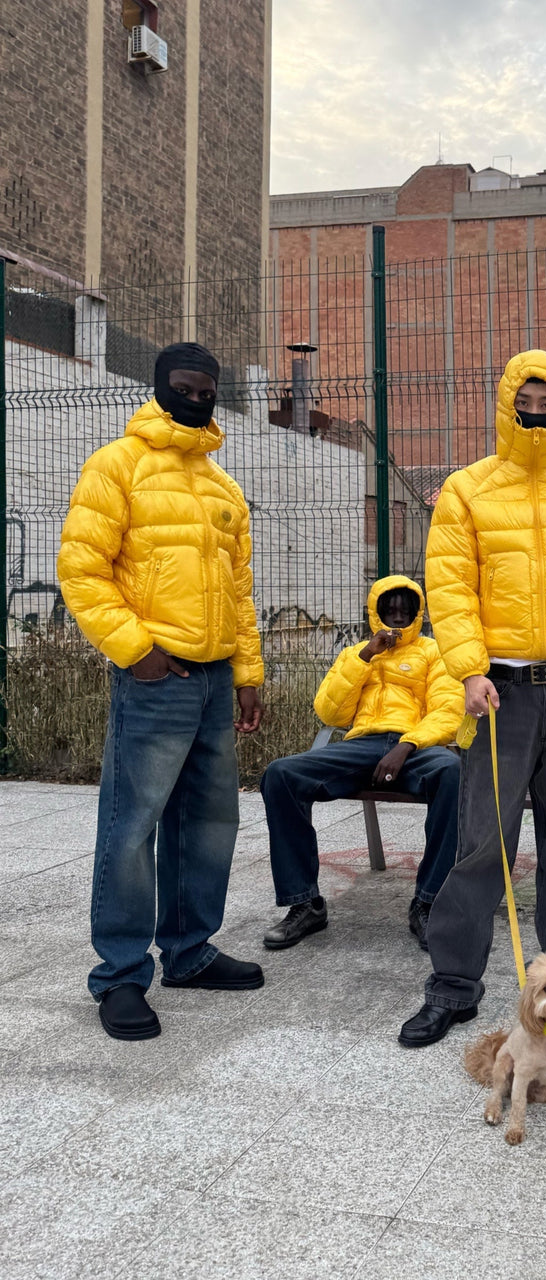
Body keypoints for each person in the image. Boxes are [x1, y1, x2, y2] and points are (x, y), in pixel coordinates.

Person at [398, 349, 546, 1048]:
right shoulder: (469, 490)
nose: (536, 412)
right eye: (524, 401)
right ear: (506, 404)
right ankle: (452, 987)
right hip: (500, 694)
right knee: (481, 847)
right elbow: (450, 588)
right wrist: (469, 668)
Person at [57, 342, 266, 1041]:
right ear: (158, 387)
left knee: (209, 826)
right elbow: (82, 570)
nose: (197, 397)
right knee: (132, 827)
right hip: (155, 677)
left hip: (212, 680)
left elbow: (237, 591)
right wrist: (135, 652)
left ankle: (189, 951)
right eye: (184, 386)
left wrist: (248, 674)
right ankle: (119, 976)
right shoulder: (116, 466)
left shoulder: (221, 486)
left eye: (208, 388)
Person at [260, 576, 463, 951]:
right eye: (389, 611)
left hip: (415, 745)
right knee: (281, 774)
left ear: (418, 615)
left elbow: (448, 711)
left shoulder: (434, 652)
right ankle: (304, 903)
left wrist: (407, 745)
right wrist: (364, 657)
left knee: (452, 772)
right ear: (376, 613)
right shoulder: (356, 653)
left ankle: (429, 901)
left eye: (406, 611)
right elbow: (330, 712)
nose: (396, 619)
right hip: (363, 744)